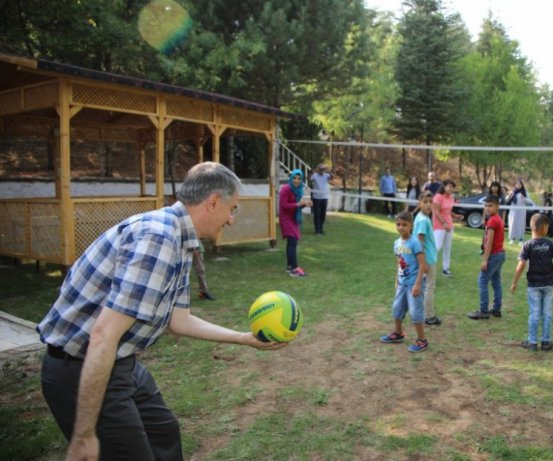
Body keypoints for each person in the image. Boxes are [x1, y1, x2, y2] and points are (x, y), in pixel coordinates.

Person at [36, 162, 286, 461]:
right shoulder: (159, 239)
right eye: (232, 208)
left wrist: (244, 339)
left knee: (163, 431)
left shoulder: (179, 239)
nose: (231, 219)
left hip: (119, 360)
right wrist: (84, 435)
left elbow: (178, 321)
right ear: (214, 202)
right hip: (80, 367)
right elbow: (103, 334)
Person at [510, 213, 553, 351]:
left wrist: (514, 282)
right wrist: (551, 266)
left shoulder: (527, 245)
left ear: (532, 227)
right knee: (547, 313)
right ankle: (546, 342)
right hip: (549, 283)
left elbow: (521, 265)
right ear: (544, 228)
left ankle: (532, 342)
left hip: (533, 285)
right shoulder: (551, 244)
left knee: (534, 313)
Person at [379, 211, 429, 353]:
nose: (401, 227)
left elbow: (423, 265)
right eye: (398, 224)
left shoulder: (415, 243)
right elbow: (399, 263)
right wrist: (397, 280)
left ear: (411, 226)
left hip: (414, 283)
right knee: (397, 308)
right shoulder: (397, 243)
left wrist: (418, 284)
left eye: (404, 225)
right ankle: (398, 333)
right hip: (402, 283)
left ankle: (422, 340)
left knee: (415, 312)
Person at [468, 195, 506, 320]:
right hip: (500, 254)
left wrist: (485, 260)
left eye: (490, 206)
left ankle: (484, 311)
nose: (488, 208)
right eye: (486, 206)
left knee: (482, 280)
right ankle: (496, 309)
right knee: (496, 282)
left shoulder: (493, 221)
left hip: (494, 255)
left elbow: (489, 242)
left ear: (497, 206)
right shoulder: (497, 219)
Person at [413, 191, 441, 325]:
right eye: (425, 202)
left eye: (430, 202)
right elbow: (419, 241)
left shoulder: (420, 217)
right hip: (427, 259)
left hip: (426, 258)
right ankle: (429, 316)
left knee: (424, 287)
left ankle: (420, 312)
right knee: (429, 287)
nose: (428, 205)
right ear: (419, 204)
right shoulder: (423, 220)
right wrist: (423, 262)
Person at [279, 169, 313, 277]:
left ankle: (290, 267)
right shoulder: (286, 189)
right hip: (286, 218)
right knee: (292, 241)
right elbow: (284, 205)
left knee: (292, 242)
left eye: (299, 179)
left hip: (293, 218)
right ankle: (294, 269)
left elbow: (296, 205)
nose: (296, 181)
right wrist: (298, 204)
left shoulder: (298, 190)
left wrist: (305, 204)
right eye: (294, 178)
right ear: (291, 178)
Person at [432, 179, 464, 277]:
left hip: (449, 225)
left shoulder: (450, 198)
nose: (451, 189)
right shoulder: (438, 197)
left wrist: (456, 216)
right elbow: (436, 211)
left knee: (447, 248)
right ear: (444, 186)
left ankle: (446, 269)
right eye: (450, 186)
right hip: (439, 226)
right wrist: (443, 223)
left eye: (453, 187)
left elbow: (448, 210)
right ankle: (427, 268)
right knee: (437, 247)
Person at [506, 178, 532, 245]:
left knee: (521, 225)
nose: (518, 185)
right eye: (517, 184)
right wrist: (509, 195)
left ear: (522, 185)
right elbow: (506, 200)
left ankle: (520, 240)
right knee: (512, 224)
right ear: (515, 185)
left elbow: (530, 202)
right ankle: (512, 239)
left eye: (520, 184)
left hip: (521, 212)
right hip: (513, 212)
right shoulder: (513, 192)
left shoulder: (524, 192)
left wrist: (524, 198)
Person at [310, 163, 332, 235]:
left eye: (323, 169)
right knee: (317, 214)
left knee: (323, 214)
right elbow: (309, 178)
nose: (322, 171)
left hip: (324, 197)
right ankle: (317, 230)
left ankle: (321, 228)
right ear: (318, 169)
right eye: (321, 169)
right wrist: (315, 170)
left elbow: (331, 177)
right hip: (316, 198)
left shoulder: (326, 175)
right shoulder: (315, 175)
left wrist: (327, 169)